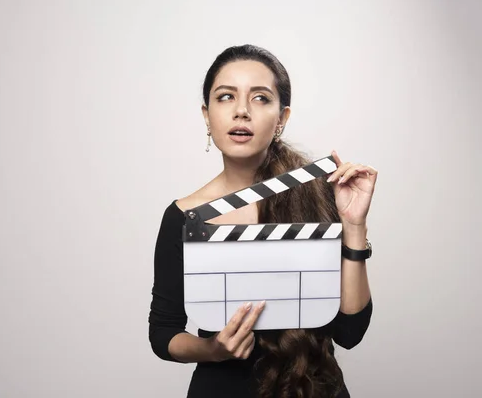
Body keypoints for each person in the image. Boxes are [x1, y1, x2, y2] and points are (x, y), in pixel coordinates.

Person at [148, 44, 378, 398]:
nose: (241, 111)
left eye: (260, 98)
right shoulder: (183, 216)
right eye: (226, 97)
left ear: (282, 118)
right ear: (207, 116)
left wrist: (354, 227)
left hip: (313, 389)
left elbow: (350, 331)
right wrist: (213, 350)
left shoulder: (318, 195)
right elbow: (163, 333)